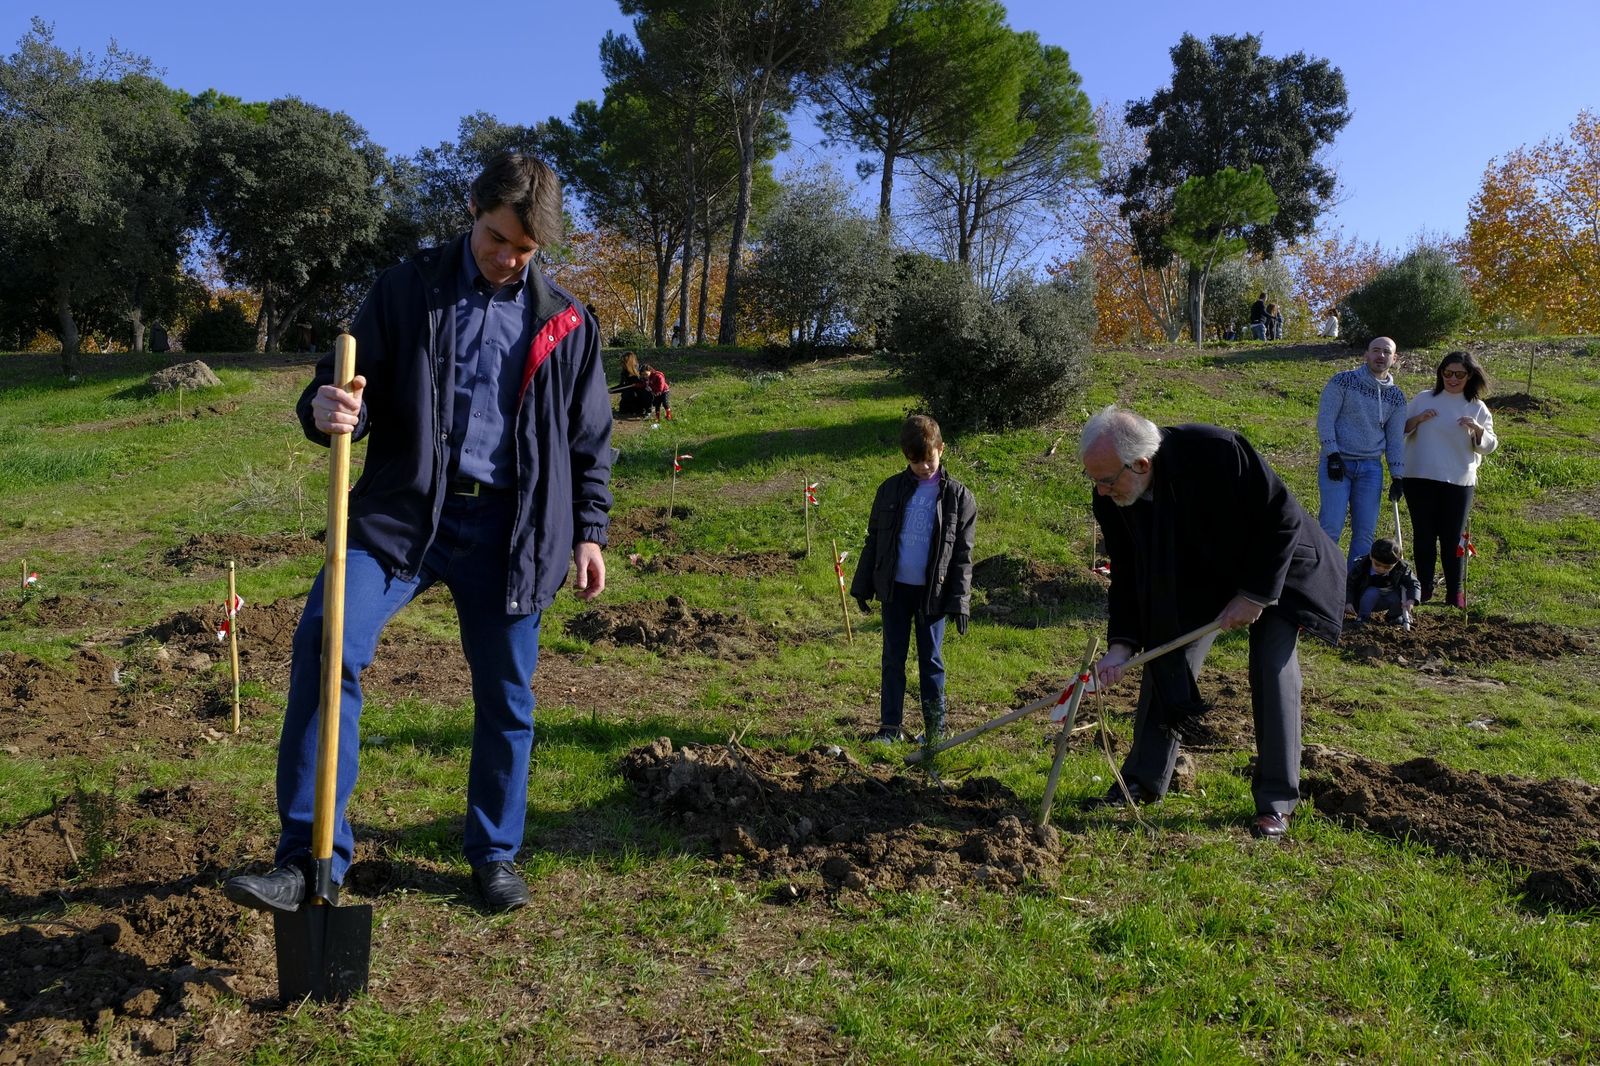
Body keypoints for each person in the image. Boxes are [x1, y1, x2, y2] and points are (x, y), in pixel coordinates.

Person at [223, 153, 614, 915]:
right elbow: (341, 386)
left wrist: (589, 531)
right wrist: (330, 409)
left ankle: (494, 855)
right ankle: (310, 859)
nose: (508, 259)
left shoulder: (567, 322)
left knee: (507, 695)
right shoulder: (407, 291)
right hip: (405, 513)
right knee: (327, 639)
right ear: (473, 209)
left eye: (525, 251)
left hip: (512, 528)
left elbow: (589, 439)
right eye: (499, 239)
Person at [1079, 405, 1343, 840]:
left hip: (1276, 566)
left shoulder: (1215, 451)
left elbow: (1282, 519)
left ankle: (1276, 802)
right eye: (1095, 481)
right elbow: (1127, 570)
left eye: (1107, 480)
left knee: (1269, 665)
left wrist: (1255, 594)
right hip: (1202, 577)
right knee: (1167, 656)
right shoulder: (1112, 495)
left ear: (1141, 463)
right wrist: (1122, 644)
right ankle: (1143, 782)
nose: (1101, 491)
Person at [850, 415, 977, 745]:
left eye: (929, 459)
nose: (922, 467)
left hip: (930, 596)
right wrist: (862, 584)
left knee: (931, 662)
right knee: (893, 659)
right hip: (895, 590)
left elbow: (962, 556)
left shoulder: (959, 499)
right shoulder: (889, 490)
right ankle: (889, 729)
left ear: (941, 449)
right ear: (905, 456)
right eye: (914, 461)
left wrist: (960, 601)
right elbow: (874, 540)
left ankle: (934, 734)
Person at [1402, 351, 1497, 608]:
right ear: (1440, 374)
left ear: (1470, 376)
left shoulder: (1476, 407)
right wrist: (1418, 419)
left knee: (1453, 538)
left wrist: (1477, 430)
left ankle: (1455, 592)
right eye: (1447, 373)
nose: (1452, 379)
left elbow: (1488, 445)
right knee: (1423, 535)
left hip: (1459, 480)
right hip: (1419, 476)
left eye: (1459, 374)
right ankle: (1424, 587)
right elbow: (1399, 429)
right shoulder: (1423, 399)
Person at [1317, 336, 1407, 568]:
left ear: (1394, 358)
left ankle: (1352, 588)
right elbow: (1326, 419)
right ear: (1366, 355)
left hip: (1370, 468)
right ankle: (1322, 583)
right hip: (1338, 462)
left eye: (1386, 352)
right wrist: (1332, 454)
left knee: (1365, 533)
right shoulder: (1343, 381)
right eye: (1375, 351)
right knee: (1331, 527)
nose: (1380, 356)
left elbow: (1395, 439)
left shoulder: (1396, 397)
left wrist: (1397, 475)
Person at [1345, 538, 1420, 629]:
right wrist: (1348, 601)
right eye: (1377, 564)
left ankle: (1394, 617)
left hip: (1388, 596)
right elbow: (1349, 585)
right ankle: (1363, 618)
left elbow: (1414, 584)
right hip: (1363, 598)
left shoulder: (1401, 568)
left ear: (1396, 563)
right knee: (1372, 593)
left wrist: (1412, 600)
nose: (1381, 569)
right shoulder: (1361, 566)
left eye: (1387, 567)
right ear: (1371, 556)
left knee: (1400, 597)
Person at [616, 351, 649, 418]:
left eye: (623, 362)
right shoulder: (624, 372)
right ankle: (630, 408)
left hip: (641, 396)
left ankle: (646, 409)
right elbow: (622, 386)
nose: (621, 364)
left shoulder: (642, 369)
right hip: (629, 395)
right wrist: (610, 390)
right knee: (623, 409)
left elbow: (652, 380)